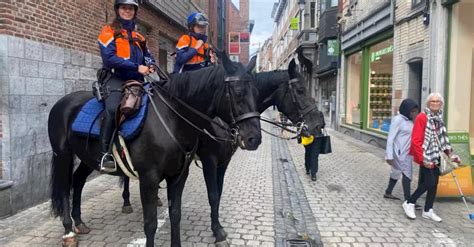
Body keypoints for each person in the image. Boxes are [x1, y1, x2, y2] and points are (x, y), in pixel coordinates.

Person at [97, 0, 156, 171]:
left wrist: (151, 65)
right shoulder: (108, 31)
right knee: (113, 108)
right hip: (115, 78)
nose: (127, 11)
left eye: (131, 8)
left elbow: (148, 56)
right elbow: (109, 58)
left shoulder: (140, 37)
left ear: (135, 11)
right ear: (117, 10)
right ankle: (105, 154)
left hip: (137, 81)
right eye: (124, 8)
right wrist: (136, 66)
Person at [402, 93, 461, 222]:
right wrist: (423, 159)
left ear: (441, 104)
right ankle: (410, 202)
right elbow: (416, 140)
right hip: (426, 155)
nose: (435, 103)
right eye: (432, 101)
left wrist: (451, 154)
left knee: (434, 184)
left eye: (438, 101)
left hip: (437, 155)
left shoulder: (439, 118)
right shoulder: (422, 118)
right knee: (430, 182)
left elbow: (442, 140)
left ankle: (428, 210)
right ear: (428, 103)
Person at [384, 99, 419, 203]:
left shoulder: (409, 120)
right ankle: (408, 201)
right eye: (411, 111)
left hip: (407, 153)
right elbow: (390, 138)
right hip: (399, 153)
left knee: (396, 172)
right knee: (407, 174)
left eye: (415, 111)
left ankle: (388, 192)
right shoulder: (398, 120)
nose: (413, 113)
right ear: (406, 109)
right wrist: (389, 156)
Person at [302, 111, 326, 181]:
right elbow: (323, 125)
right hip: (317, 137)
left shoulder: (305, 113)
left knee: (308, 152)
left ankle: (307, 168)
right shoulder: (319, 113)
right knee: (314, 155)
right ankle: (313, 174)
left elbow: (302, 125)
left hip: (307, 136)